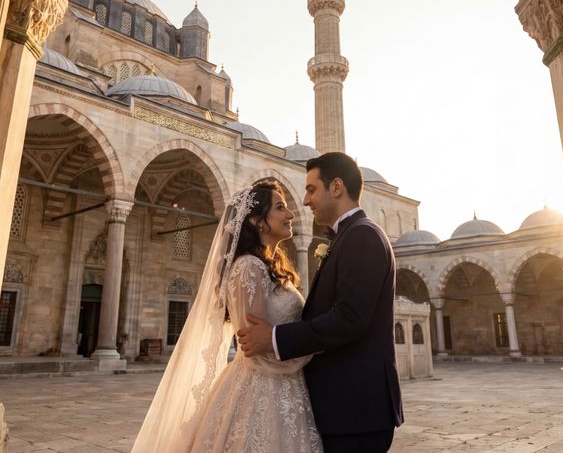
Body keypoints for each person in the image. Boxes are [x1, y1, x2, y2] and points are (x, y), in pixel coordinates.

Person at [132, 181, 322, 453]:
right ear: (257, 221)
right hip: (263, 391)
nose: (291, 214)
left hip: (283, 388)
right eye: (280, 208)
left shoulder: (266, 266)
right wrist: (315, 345)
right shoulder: (248, 267)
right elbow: (257, 350)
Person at [237, 152, 403, 452]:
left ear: (336, 187)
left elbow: (349, 318)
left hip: (355, 411)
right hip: (343, 409)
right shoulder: (349, 236)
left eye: (311, 189)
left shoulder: (362, 236)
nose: (304, 201)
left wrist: (273, 337)